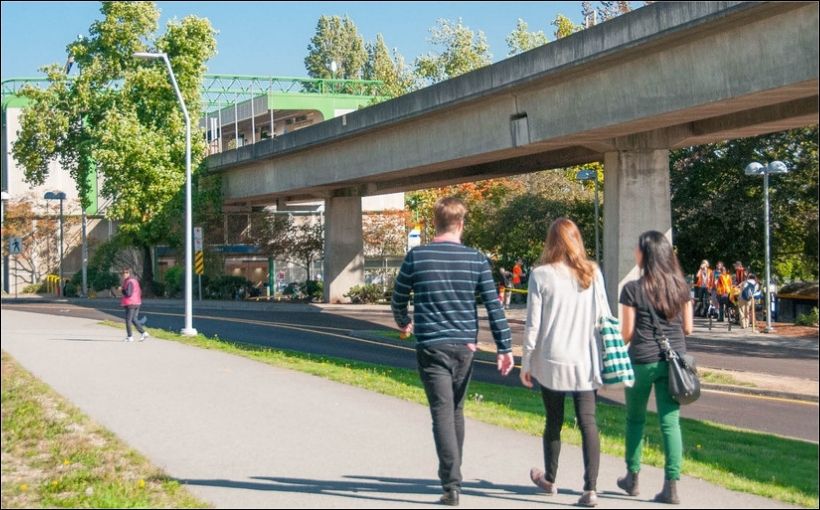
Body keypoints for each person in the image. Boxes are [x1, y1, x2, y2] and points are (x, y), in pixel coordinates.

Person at [391, 196, 514, 506]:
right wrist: (504, 347)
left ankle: (451, 484)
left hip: (431, 344)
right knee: (456, 410)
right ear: (461, 224)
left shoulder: (417, 257)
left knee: (442, 412)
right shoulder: (476, 260)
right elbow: (494, 307)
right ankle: (454, 477)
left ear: (436, 223)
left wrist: (404, 321)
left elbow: (398, 296)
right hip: (465, 346)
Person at [521, 218, 604, 508]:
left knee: (553, 420)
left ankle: (550, 479)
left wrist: (526, 361)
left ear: (551, 242)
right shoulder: (592, 272)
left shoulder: (540, 275)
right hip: (585, 359)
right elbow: (602, 316)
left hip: (552, 359)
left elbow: (533, 325)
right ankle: (590, 488)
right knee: (588, 422)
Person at [617, 231, 693, 505]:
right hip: (674, 364)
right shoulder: (680, 287)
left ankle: (632, 478)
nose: (635, 254)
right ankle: (671, 486)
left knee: (635, 420)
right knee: (670, 423)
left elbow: (626, 333)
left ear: (646, 254)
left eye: (637, 250)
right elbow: (688, 327)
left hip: (641, 360)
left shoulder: (632, 289)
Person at [120, 267, 148, 342]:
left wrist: (122, 290)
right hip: (137, 302)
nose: (124, 274)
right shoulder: (135, 281)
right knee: (134, 319)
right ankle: (144, 333)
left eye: (126, 272)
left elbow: (128, 293)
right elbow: (139, 291)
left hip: (130, 303)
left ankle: (130, 337)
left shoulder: (129, 282)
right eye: (123, 273)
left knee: (128, 320)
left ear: (130, 273)